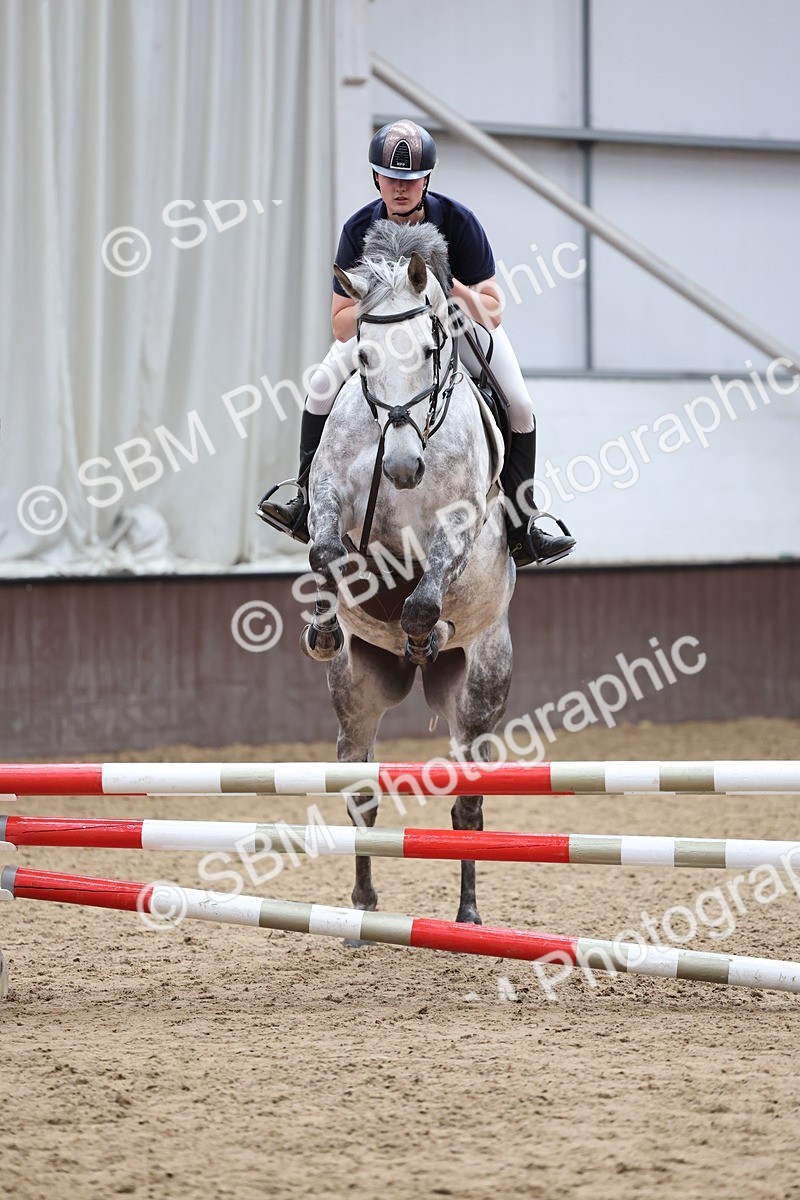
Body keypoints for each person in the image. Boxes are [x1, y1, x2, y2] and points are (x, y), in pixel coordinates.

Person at [257, 118, 576, 568]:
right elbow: (340, 323)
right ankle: (305, 500)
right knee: (322, 386)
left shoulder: (459, 222)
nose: (400, 187)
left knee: (520, 405)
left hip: (454, 326)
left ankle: (524, 527)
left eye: (409, 178)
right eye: (390, 177)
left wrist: (449, 289)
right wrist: (381, 305)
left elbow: (493, 309)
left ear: (426, 179)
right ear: (376, 178)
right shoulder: (358, 229)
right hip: (385, 332)